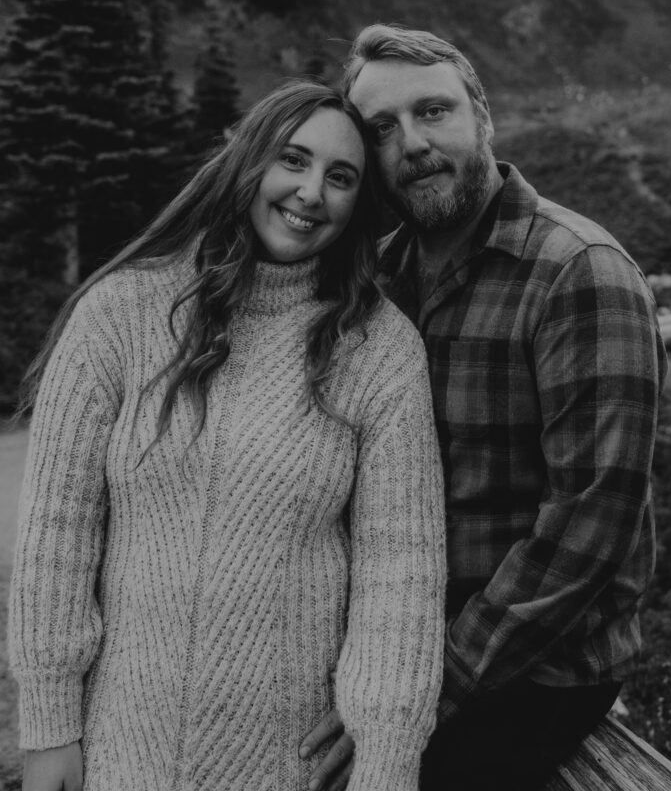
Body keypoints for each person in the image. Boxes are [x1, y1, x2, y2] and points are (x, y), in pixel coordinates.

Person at [9, 80, 446, 791]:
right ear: (246, 162)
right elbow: (57, 535)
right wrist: (49, 725)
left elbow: (399, 580)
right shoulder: (120, 313)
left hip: (288, 769)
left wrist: (386, 763)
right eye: (292, 160)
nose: (311, 192)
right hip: (122, 753)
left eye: (340, 178)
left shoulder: (377, 349)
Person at [299, 26, 667, 791]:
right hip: (403, 634)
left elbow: (589, 526)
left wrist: (432, 680)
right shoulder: (385, 271)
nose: (413, 143)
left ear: (481, 117)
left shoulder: (578, 271)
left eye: (432, 111)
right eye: (382, 129)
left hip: (534, 667)